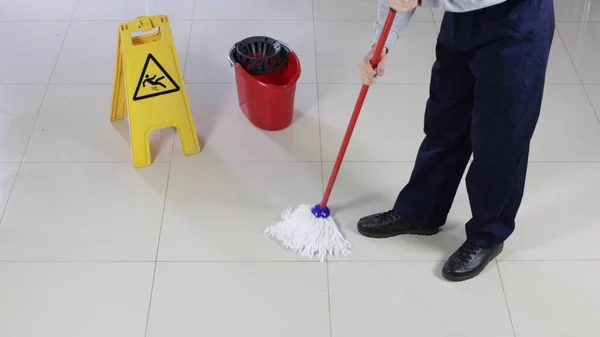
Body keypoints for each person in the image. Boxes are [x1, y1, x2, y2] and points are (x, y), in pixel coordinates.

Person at [357, 0, 555, 281]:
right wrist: (382, 43)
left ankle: (488, 234)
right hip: (461, 20)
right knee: (445, 120)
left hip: (516, 24)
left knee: (500, 139)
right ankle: (421, 211)